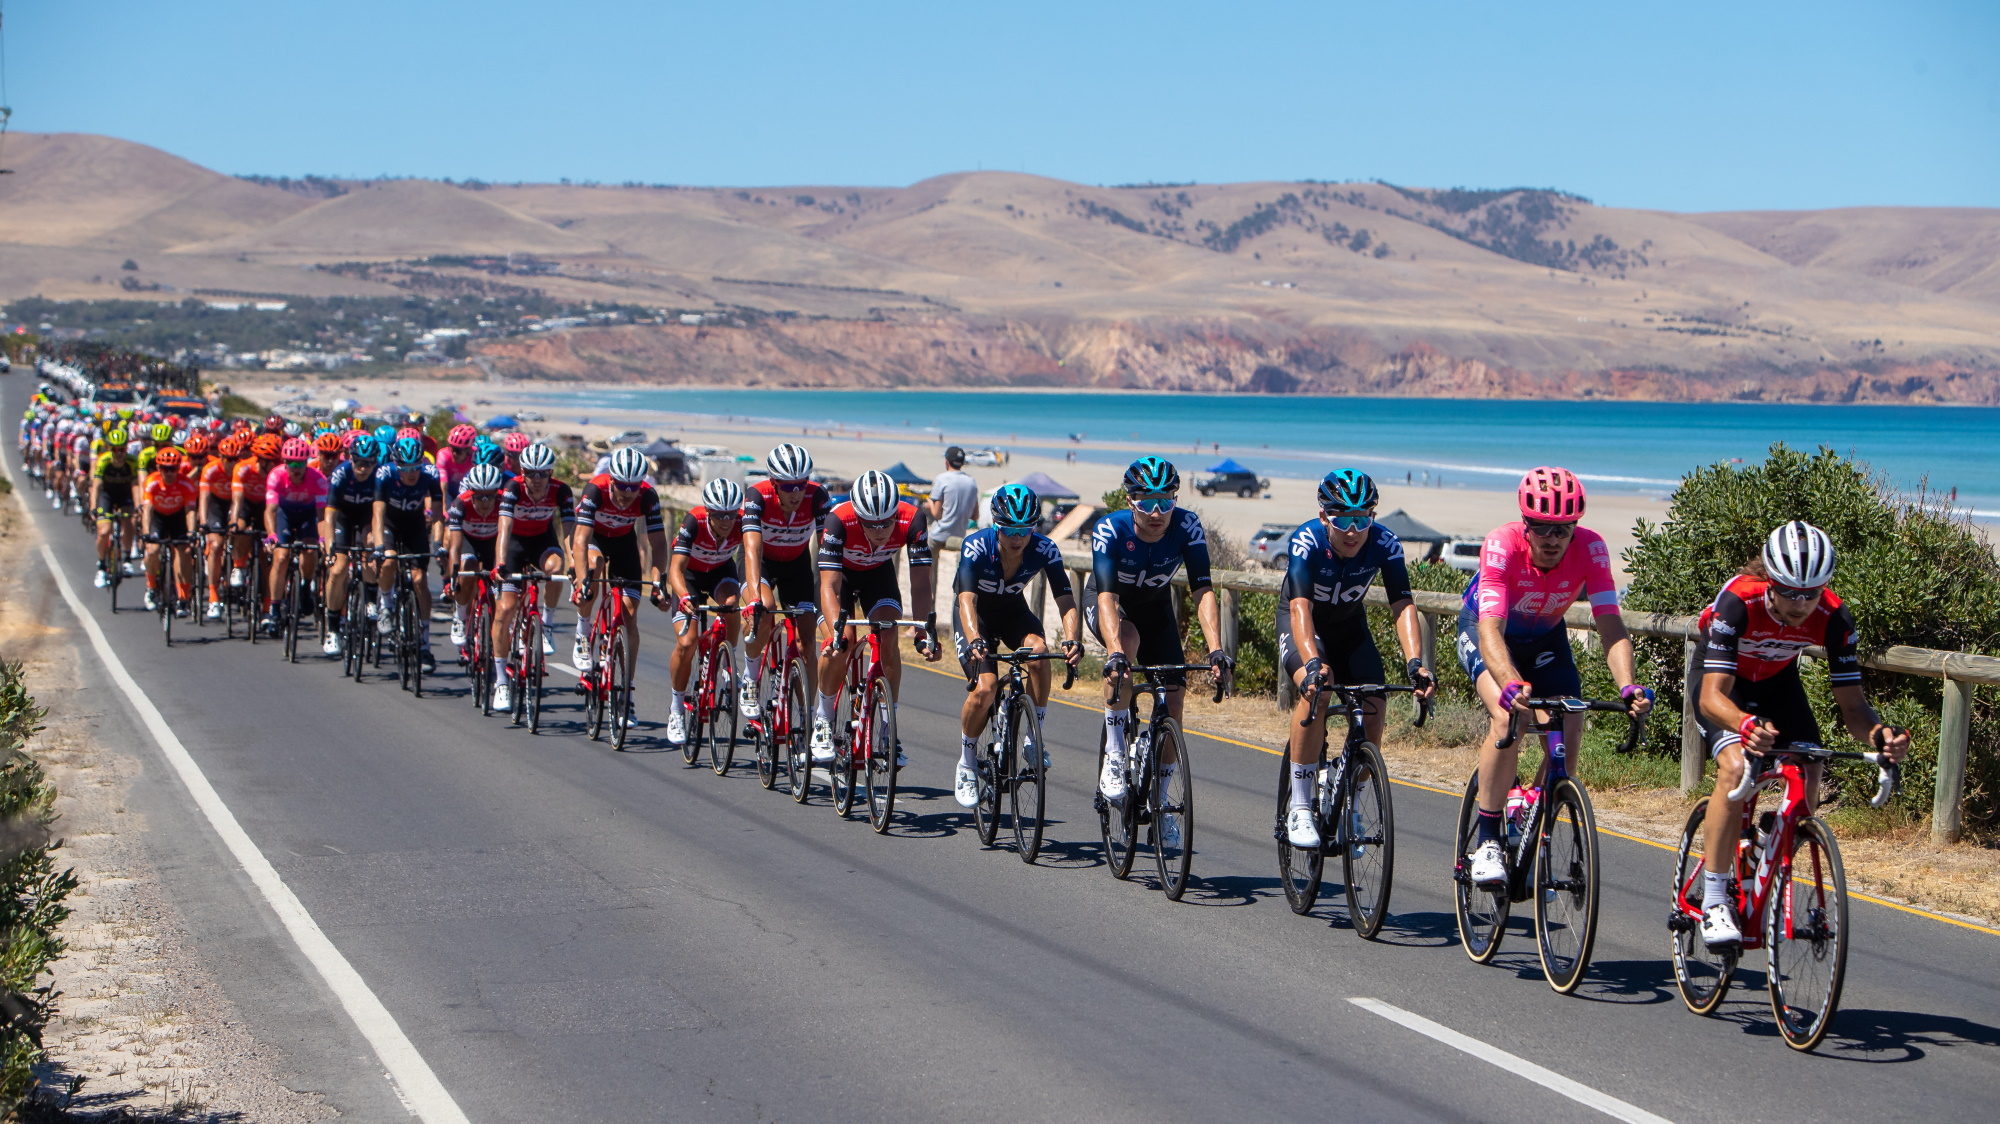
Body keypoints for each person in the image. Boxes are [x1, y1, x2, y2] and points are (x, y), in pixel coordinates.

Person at [1692, 521, 1909, 946]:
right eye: (1790, 591)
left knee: (1812, 761)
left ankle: (1773, 847)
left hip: (1777, 684)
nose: (1800, 603)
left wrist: (1881, 735)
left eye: (1810, 593)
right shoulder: (1739, 601)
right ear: (1770, 581)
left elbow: (1854, 708)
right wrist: (1744, 724)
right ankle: (1716, 898)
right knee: (1735, 767)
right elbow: (1710, 698)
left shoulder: (1834, 618)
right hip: (1723, 684)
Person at [1457, 467, 1653, 888]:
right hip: (1488, 631)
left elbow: (1610, 624)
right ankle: (1489, 837)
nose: (1551, 539)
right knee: (1509, 717)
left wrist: (1628, 686)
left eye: (1562, 530)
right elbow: (1490, 628)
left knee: (1572, 715)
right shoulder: (1501, 544)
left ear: (1574, 528)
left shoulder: (1593, 549)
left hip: (1546, 637)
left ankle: (1533, 805)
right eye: (1542, 528)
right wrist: (1509, 682)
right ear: (1525, 525)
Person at [1277, 470, 1435, 848]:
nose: (1352, 530)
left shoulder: (1385, 543)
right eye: (1342, 519)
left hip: (1350, 629)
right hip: (1303, 624)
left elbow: (1402, 604)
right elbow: (1299, 607)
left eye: (1362, 519)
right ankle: (1299, 804)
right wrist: (1312, 661)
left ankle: (1348, 794)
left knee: (1375, 705)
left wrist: (1415, 662)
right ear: (1324, 518)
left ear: (1373, 518)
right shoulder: (1306, 542)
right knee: (1319, 687)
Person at [1086, 456, 1232, 807]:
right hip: (1110, 604)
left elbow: (1203, 591)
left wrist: (1215, 649)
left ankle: (1163, 803)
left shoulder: (1187, 526)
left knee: (1174, 697)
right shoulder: (1111, 529)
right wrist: (1115, 652)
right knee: (1128, 643)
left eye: (1165, 501)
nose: (1157, 512)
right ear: (1130, 502)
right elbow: (1107, 596)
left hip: (1155, 607)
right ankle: (1116, 754)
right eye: (1147, 502)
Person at [950, 484, 1081, 808]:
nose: (1017, 536)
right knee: (985, 688)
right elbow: (965, 599)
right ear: (997, 524)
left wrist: (1072, 639)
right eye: (1009, 528)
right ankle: (966, 762)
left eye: (1025, 529)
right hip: (974, 616)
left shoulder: (1045, 549)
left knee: (1038, 652)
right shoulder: (976, 546)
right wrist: (974, 639)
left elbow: (1065, 600)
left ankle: (1032, 738)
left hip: (1012, 613)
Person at [811, 469, 941, 764]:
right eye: (871, 524)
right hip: (840, 578)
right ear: (858, 517)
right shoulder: (837, 520)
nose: (881, 530)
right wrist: (835, 633)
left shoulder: (913, 519)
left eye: (887, 522)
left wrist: (923, 633)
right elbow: (829, 585)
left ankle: (886, 728)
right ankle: (823, 719)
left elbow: (921, 584)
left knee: (889, 634)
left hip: (878, 576)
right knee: (842, 641)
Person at [571, 446, 673, 726]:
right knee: (595, 567)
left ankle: (626, 693)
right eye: (622, 486)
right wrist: (582, 582)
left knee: (628, 614)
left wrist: (658, 582)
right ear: (612, 480)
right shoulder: (595, 489)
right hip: (592, 541)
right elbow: (579, 539)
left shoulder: (647, 496)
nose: (628, 492)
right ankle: (583, 633)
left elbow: (659, 544)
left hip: (623, 542)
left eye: (634, 486)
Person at [740, 443, 833, 722]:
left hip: (797, 567)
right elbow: (752, 549)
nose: (796, 492)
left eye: (801, 484)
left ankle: (806, 717)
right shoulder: (757, 496)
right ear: (773, 483)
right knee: (765, 610)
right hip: (763, 565)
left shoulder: (817, 496)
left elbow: (828, 546)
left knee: (807, 644)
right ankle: (751, 678)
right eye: (787, 486)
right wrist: (755, 598)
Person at [490, 442, 574, 713]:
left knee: (556, 567)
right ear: (522, 472)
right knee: (505, 609)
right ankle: (501, 681)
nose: (536, 480)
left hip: (542, 542)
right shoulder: (513, 488)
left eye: (543, 474)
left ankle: (547, 625)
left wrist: (574, 563)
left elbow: (570, 530)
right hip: (514, 545)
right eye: (530, 473)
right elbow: (503, 528)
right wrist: (501, 563)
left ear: (551, 473)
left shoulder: (561, 490)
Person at [665, 478, 747, 746]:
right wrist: (684, 595)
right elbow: (676, 568)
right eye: (719, 515)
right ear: (709, 512)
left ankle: (728, 661)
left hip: (720, 573)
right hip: (688, 577)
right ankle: (676, 708)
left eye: (731, 515)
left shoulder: (742, 522)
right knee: (687, 642)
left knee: (732, 605)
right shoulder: (694, 521)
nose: (726, 521)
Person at [372, 436, 444, 674]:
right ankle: (385, 604)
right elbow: (378, 514)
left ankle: (424, 644)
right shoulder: (385, 474)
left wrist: (437, 543)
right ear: (396, 465)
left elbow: (437, 514)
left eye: (416, 467)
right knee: (390, 560)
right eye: (406, 468)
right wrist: (380, 546)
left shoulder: (430, 474)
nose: (412, 473)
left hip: (414, 527)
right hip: (390, 525)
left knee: (420, 580)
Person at [320, 433, 382, 655]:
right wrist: (329, 548)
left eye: (368, 463)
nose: (362, 468)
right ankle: (333, 629)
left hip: (367, 518)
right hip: (344, 519)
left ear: (375, 462)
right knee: (337, 571)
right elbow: (329, 517)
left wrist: (376, 543)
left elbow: (378, 514)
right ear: (350, 459)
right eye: (358, 462)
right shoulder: (340, 474)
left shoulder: (379, 476)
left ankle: (371, 599)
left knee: (370, 546)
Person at [263, 436, 329, 635]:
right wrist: (271, 536)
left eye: (300, 463)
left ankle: (306, 586)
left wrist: (323, 540)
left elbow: (321, 516)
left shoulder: (318, 479)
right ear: (284, 462)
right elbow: (270, 510)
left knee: (310, 553)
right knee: (281, 557)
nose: (296, 467)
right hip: (285, 514)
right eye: (291, 463)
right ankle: (274, 610)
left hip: (308, 516)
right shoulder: (275, 476)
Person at [446, 463, 507, 656]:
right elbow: (455, 546)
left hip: (492, 543)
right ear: (471, 493)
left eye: (490, 495)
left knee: (501, 579)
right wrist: (453, 579)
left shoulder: (505, 502)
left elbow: (509, 538)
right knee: (468, 566)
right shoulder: (460, 504)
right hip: (469, 541)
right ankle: (460, 615)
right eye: (480, 496)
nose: (485, 500)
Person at [139, 446, 199, 614]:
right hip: (158, 517)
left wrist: (192, 532)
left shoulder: (186, 483)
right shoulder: (152, 481)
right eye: (164, 468)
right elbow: (147, 510)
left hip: (177, 517)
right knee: (153, 550)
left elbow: (190, 511)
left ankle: (183, 597)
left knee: (184, 552)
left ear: (178, 468)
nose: (168, 472)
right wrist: (145, 533)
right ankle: (151, 587)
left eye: (172, 469)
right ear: (158, 468)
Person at [89, 429, 139, 588]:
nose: (119, 453)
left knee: (130, 521)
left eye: (122, 449)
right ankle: (102, 566)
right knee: (104, 531)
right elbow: (96, 486)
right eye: (115, 449)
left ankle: (126, 558)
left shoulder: (132, 462)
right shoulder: (103, 461)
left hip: (125, 494)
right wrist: (93, 507)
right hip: (107, 496)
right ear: (110, 449)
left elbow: (136, 486)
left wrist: (138, 507)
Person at [926, 446, 979, 548]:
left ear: (946, 462)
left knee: (929, 546)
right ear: (963, 463)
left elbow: (937, 515)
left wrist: (930, 504)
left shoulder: (941, 479)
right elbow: (975, 516)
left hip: (940, 535)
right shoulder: (972, 482)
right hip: (959, 536)